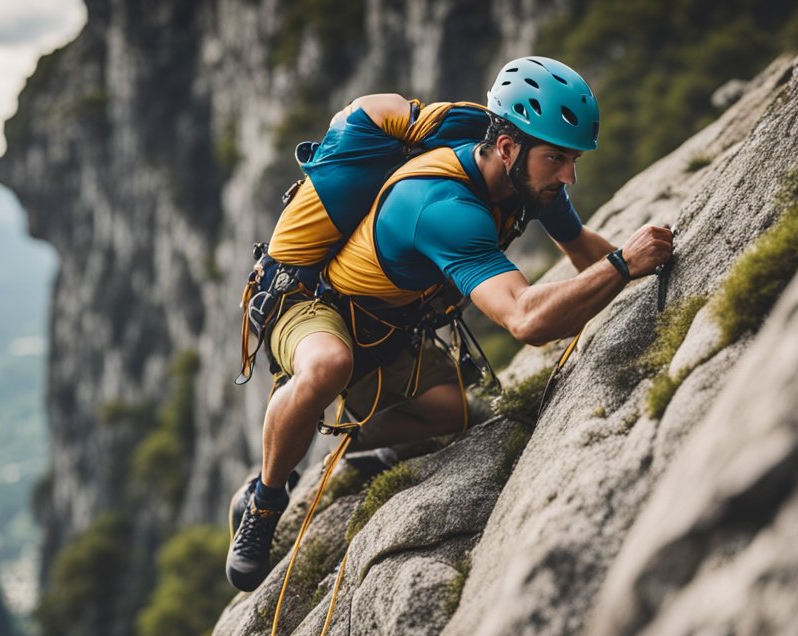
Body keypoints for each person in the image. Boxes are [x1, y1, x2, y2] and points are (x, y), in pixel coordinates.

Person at [226, 56, 674, 591]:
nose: (568, 175)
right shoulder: (442, 206)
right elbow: (525, 319)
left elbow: (584, 252)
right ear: (508, 147)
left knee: (463, 413)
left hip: (390, 324)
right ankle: (264, 500)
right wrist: (625, 266)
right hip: (311, 304)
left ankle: (347, 446)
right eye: (557, 158)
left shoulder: (527, 182)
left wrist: (657, 264)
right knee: (328, 364)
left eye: (572, 160)